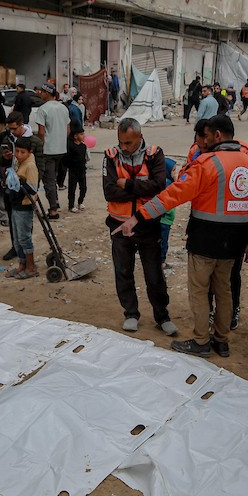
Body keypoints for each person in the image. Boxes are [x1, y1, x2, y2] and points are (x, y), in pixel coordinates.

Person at [120, 114, 248, 357]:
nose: (202, 142)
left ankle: (200, 341)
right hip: (235, 242)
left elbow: (172, 195)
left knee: (199, 290)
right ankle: (222, 340)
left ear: (217, 135)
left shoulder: (208, 163)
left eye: (205, 136)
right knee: (224, 291)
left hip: (206, 238)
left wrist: (139, 216)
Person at [102, 118, 176, 336]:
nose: (123, 147)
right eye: (121, 142)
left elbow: (158, 186)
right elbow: (109, 191)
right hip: (119, 224)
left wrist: (127, 184)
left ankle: (162, 315)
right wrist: (142, 188)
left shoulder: (154, 154)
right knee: (123, 271)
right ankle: (131, 313)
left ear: (140, 138)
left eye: (128, 143)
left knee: (154, 274)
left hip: (148, 224)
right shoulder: (110, 156)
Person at [30, 82, 70, 219]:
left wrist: (38, 146)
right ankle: (56, 201)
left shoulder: (43, 109)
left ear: (47, 93)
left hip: (48, 150)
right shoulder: (63, 108)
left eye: (42, 91)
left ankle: (53, 210)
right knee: (55, 176)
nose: (40, 94)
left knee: (49, 180)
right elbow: (68, 130)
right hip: (61, 149)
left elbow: (41, 133)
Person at [7, 136, 41, 279]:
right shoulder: (17, 161)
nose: (19, 155)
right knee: (16, 238)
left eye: (22, 152)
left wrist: (20, 183)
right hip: (15, 204)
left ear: (29, 152)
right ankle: (22, 264)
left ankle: (31, 267)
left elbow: (33, 189)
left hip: (24, 206)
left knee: (24, 238)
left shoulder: (30, 166)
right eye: (17, 151)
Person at [65, 127, 89, 213]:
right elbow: (67, 158)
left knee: (83, 188)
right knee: (72, 189)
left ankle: (80, 202)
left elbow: (84, 157)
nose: (83, 136)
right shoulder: (70, 146)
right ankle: (71, 205)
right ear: (75, 136)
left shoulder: (83, 146)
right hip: (73, 171)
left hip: (82, 170)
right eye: (81, 134)